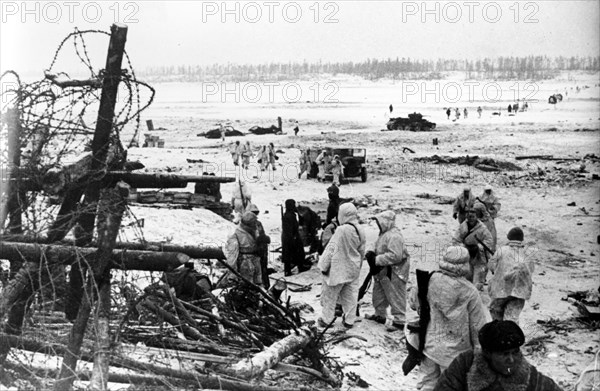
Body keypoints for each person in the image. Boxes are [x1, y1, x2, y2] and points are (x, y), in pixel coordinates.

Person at [408, 246, 489, 390]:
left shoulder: (429, 279)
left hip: (430, 345)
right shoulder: (470, 291)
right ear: (465, 264)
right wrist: (479, 354)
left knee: (426, 384)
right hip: (457, 353)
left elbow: (413, 304)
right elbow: (478, 327)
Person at [433, 320, 564, 390]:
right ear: (488, 353)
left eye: (515, 352)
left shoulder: (529, 377)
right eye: (504, 354)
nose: (511, 360)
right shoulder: (466, 363)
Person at [317, 203, 366, 329]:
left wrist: (323, 265)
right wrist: (358, 267)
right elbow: (361, 251)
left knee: (330, 295)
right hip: (352, 267)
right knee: (350, 296)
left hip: (338, 268)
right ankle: (349, 320)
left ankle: (326, 319)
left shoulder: (341, 230)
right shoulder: (360, 229)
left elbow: (331, 248)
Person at [365, 211, 410, 331]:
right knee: (379, 294)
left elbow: (395, 256)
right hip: (383, 270)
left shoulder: (394, 236)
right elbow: (377, 245)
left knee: (396, 296)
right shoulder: (384, 234)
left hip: (395, 271)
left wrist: (377, 259)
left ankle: (399, 321)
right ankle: (380, 315)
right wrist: (371, 253)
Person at [488, 227, 535, 324]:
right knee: (512, 318)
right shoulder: (527, 253)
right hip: (521, 291)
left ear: (509, 238)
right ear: (521, 240)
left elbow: (491, 266)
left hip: (501, 289)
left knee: (496, 312)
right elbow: (531, 269)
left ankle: (498, 332)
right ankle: (510, 334)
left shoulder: (501, 250)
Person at [452, 209, 494, 290]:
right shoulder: (462, 227)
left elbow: (489, 240)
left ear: (476, 217)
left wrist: (478, 247)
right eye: (469, 216)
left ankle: (477, 292)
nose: (471, 218)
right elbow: (455, 240)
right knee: (467, 276)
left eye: (473, 216)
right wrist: (464, 247)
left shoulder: (482, 228)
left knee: (479, 277)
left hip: (479, 256)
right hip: (466, 254)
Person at [222, 211, 263, 287]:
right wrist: (232, 272)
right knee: (247, 285)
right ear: (248, 224)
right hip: (245, 262)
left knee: (258, 285)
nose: (255, 225)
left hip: (256, 260)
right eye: (253, 223)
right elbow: (232, 254)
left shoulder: (254, 230)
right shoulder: (236, 233)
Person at [247, 204, 271, 290]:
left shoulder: (258, 224)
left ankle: (265, 286)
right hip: (253, 251)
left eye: (255, 213)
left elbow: (262, 234)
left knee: (263, 268)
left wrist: (264, 239)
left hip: (262, 250)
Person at [281, 199, 307, 276]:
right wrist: (293, 237)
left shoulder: (290, 214)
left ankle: (289, 269)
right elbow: (290, 228)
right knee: (295, 252)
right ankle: (298, 267)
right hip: (291, 236)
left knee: (290, 253)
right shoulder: (289, 216)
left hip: (289, 236)